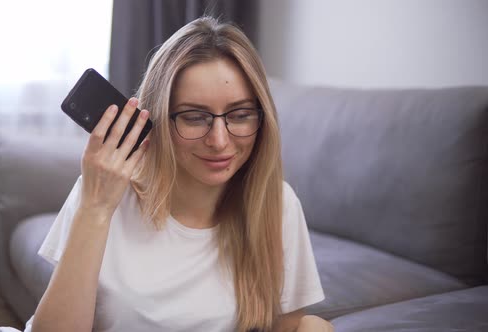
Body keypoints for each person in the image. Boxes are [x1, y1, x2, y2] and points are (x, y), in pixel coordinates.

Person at [26, 16, 332, 332]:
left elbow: (286, 324)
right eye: (194, 118)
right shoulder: (100, 193)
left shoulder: (278, 204)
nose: (219, 141)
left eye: (240, 115)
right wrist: (96, 209)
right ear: (157, 117)